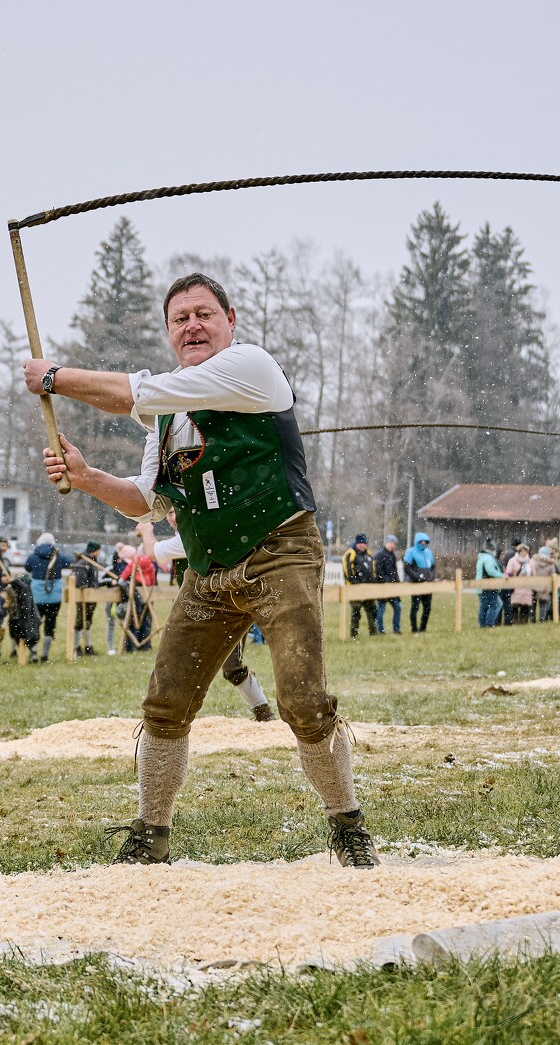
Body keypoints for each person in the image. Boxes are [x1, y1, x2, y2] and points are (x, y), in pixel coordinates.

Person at [26, 270, 376, 868]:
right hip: (208, 569)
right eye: (179, 319)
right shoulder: (168, 418)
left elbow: (134, 394)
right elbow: (149, 500)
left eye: (203, 314)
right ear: (168, 333)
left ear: (229, 321)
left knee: (302, 700)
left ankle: (347, 825)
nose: (192, 325)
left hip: (278, 551)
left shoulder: (252, 367)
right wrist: (86, 478)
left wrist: (55, 378)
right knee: (165, 703)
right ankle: (150, 835)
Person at [146, 524, 274, 721]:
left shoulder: (192, 535)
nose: (172, 518)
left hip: (224, 610)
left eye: (174, 512)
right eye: (169, 514)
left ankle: (263, 712)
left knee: (232, 669)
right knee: (176, 663)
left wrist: (146, 529)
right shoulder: (183, 537)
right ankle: (169, 717)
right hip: (196, 610)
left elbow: (152, 552)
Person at [24, 531, 73, 661]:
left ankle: (33, 653)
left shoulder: (33, 556)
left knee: (35, 623)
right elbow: (69, 562)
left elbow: (27, 568)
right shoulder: (58, 556)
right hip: (54, 597)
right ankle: (45, 654)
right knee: (50, 625)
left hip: (37, 596)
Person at [70, 541, 110, 656]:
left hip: (92, 597)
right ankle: (76, 647)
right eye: (98, 550)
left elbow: (93, 579)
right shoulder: (83, 562)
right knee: (80, 621)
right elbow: (80, 580)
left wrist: (97, 585)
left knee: (87, 621)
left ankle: (88, 646)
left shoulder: (93, 562)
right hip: (83, 596)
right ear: (95, 550)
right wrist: (86, 587)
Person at [342, 534, 378, 638]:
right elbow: (347, 570)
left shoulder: (369, 554)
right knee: (356, 611)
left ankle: (373, 632)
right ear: (356, 543)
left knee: (372, 610)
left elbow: (373, 570)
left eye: (364, 543)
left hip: (368, 589)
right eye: (360, 543)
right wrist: (355, 583)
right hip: (354, 589)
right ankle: (354, 634)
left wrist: (373, 582)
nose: (362, 546)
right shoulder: (350, 553)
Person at [403, 532, 436, 633]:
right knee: (415, 606)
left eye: (425, 542)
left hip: (427, 584)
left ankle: (423, 628)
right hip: (416, 584)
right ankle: (414, 628)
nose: (423, 543)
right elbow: (407, 567)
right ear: (417, 542)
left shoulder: (428, 552)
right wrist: (417, 578)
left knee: (427, 607)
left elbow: (433, 566)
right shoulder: (411, 552)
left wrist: (432, 576)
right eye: (421, 542)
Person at [373, 534, 402, 635]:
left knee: (398, 607)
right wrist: (386, 582)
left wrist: (397, 582)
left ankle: (396, 629)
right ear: (386, 543)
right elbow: (378, 572)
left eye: (394, 544)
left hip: (393, 587)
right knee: (381, 608)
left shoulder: (393, 555)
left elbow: (394, 571)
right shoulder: (379, 555)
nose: (392, 545)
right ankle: (380, 630)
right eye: (390, 543)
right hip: (383, 587)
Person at [475, 538, 503, 627]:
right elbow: (491, 571)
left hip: (482, 586)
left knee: (484, 606)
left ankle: (482, 625)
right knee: (493, 605)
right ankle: (488, 624)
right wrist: (502, 575)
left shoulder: (482, 557)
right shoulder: (488, 559)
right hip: (489, 586)